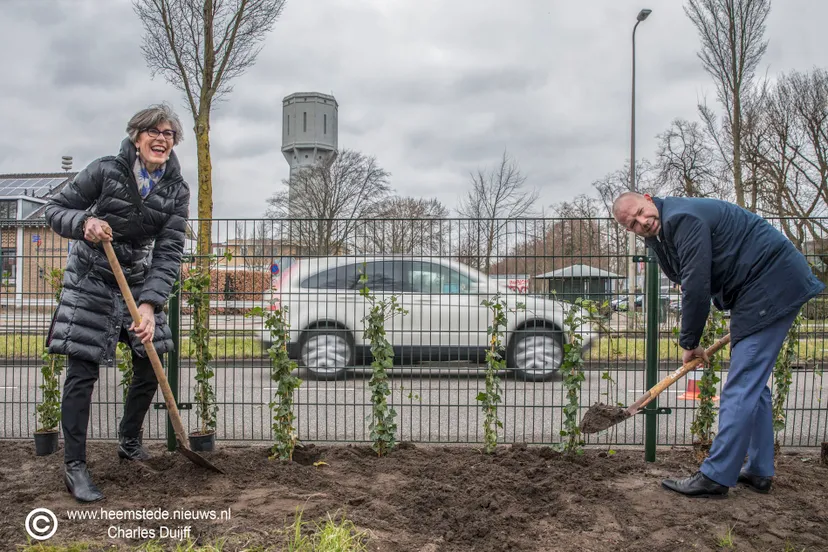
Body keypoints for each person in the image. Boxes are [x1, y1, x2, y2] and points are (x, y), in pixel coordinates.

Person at [612, 192, 824, 498]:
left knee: (740, 388)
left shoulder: (681, 218)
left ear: (648, 198)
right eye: (633, 224)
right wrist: (656, 243)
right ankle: (759, 469)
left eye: (642, 213)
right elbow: (682, 274)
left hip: (770, 285)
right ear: (629, 230)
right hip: (758, 288)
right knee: (753, 387)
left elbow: (696, 285)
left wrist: (690, 342)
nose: (643, 222)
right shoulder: (663, 231)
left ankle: (715, 476)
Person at [45, 104, 190, 503]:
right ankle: (74, 466)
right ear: (135, 136)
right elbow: (55, 211)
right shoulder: (106, 170)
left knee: (151, 358)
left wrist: (149, 304)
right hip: (91, 278)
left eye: (168, 134)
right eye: (153, 131)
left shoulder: (176, 190)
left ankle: (129, 440)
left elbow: (169, 251)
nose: (161, 139)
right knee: (83, 368)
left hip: (138, 280)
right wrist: (84, 224)